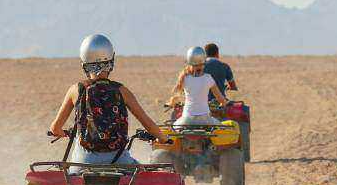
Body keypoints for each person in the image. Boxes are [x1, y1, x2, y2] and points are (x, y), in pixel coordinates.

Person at [49, 34, 167, 167]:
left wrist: (62, 132)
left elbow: (55, 128)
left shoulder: (75, 90)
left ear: (84, 64)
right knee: (144, 179)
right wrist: (164, 139)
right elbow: (149, 124)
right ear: (111, 60)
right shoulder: (122, 91)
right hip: (120, 161)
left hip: (83, 162)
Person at [174, 46, 229, 126]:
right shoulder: (208, 78)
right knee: (223, 128)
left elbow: (179, 93)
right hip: (205, 120)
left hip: (187, 119)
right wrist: (224, 103)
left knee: (173, 130)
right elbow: (220, 99)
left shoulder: (184, 78)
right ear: (204, 62)